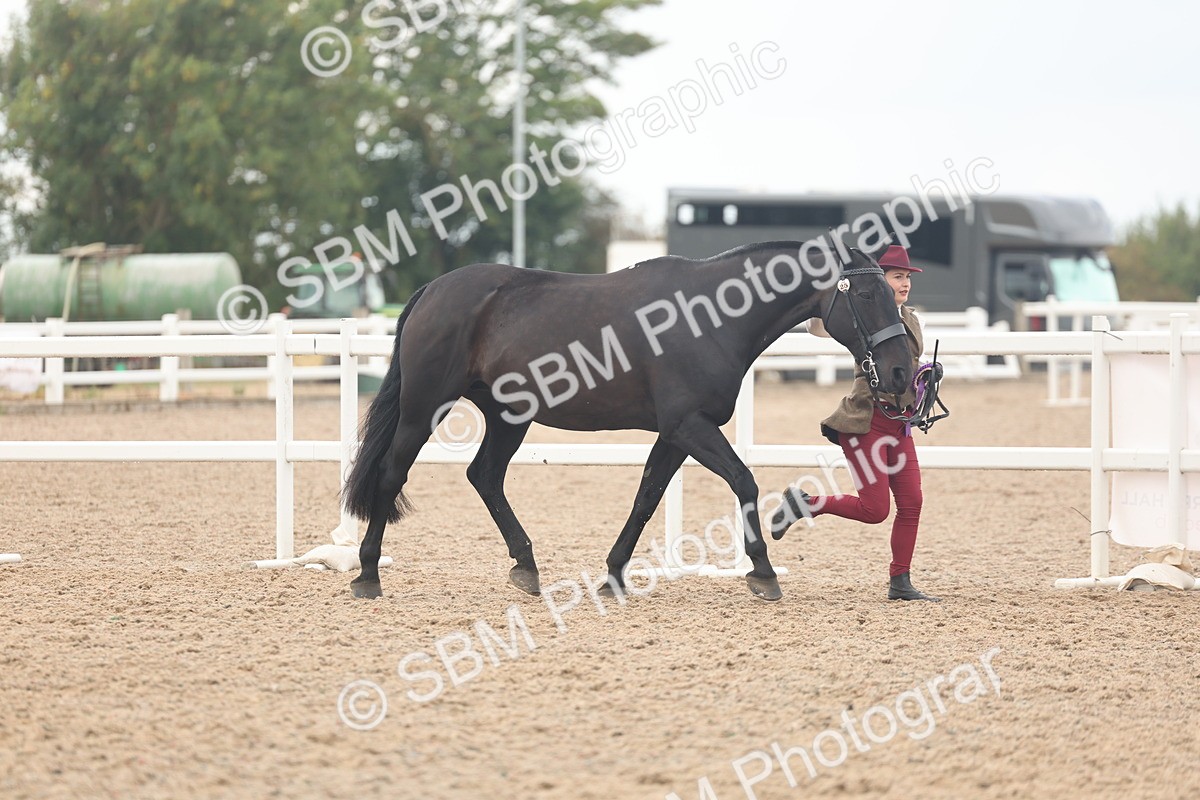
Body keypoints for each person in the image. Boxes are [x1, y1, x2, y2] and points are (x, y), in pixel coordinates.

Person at [771, 245, 940, 601]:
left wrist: (927, 374)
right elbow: (817, 326)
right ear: (879, 280)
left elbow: (910, 364)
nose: (905, 283)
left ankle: (900, 581)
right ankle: (805, 504)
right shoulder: (862, 315)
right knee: (875, 510)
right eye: (897, 276)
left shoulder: (913, 319)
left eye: (907, 277)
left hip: (899, 424)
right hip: (867, 421)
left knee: (912, 502)